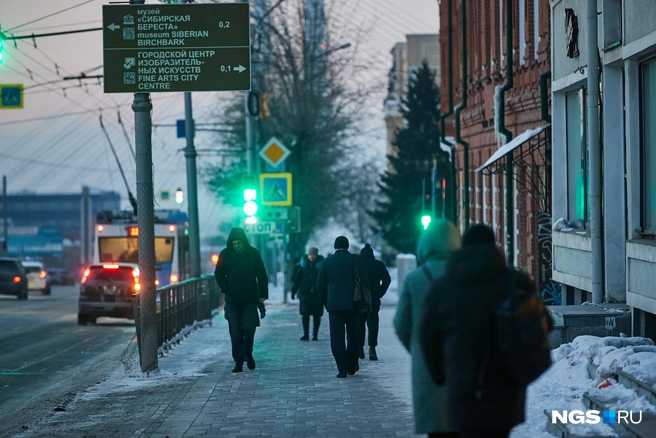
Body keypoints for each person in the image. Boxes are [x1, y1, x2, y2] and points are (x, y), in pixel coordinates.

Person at [419, 224, 549, 438]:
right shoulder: (515, 282)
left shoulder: (443, 287)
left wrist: (441, 374)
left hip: (462, 387)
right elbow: (543, 323)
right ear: (493, 246)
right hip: (506, 391)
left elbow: (428, 336)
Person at [393, 219, 461, 438]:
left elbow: (401, 324)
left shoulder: (414, 279)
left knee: (436, 425)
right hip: (463, 360)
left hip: (427, 365)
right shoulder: (465, 275)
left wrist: (418, 347)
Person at [214, 227, 268, 373]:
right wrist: (226, 287)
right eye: (234, 243)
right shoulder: (225, 254)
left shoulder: (253, 253)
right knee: (235, 332)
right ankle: (238, 361)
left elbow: (261, 275)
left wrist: (262, 294)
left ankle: (248, 353)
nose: (236, 246)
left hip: (250, 298)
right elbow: (219, 274)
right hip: (232, 299)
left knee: (250, 329)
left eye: (239, 243)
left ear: (244, 242)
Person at [316, 236, 370, 378]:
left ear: (335, 247)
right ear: (347, 247)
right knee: (353, 336)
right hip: (354, 304)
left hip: (334, 306)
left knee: (337, 338)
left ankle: (342, 368)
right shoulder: (355, 260)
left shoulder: (326, 262)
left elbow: (320, 286)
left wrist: (326, 302)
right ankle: (352, 366)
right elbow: (366, 282)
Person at [357, 243, 391, 361]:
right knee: (373, 326)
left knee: (360, 325)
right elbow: (387, 280)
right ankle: (372, 349)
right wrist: (379, 293)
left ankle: (360, 349)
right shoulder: (379, 265)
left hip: (359, 300)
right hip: (373, 300)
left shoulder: (357, 265)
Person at [291, 247, 324, 341]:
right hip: (305, 293)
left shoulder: (322, 266)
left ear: (317, 255)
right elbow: (297, 280)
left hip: (317, 294)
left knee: (317, 315)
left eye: (314, 255)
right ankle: (306, 334)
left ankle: (315, 335)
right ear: (308, 255)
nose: (312, 256)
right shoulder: (302, 266)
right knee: (305, 315)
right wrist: (294, 291)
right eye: (310, 255)